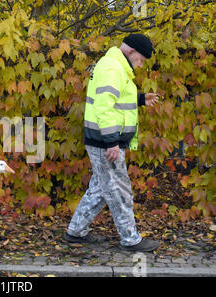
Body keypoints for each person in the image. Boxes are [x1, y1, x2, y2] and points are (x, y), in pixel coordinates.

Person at [64, 33, 161, 252]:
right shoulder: (113, 68)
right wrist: (111, 142)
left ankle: (75, 232)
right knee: (120, 189)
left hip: (103, 141)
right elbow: (104, 107)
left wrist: (140, 99)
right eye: (142, 59)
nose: (141, 64)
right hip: (104, 142)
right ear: (132, 51)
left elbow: (115, 99)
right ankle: (131, 240)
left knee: (100, 188)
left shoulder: (115, 65)